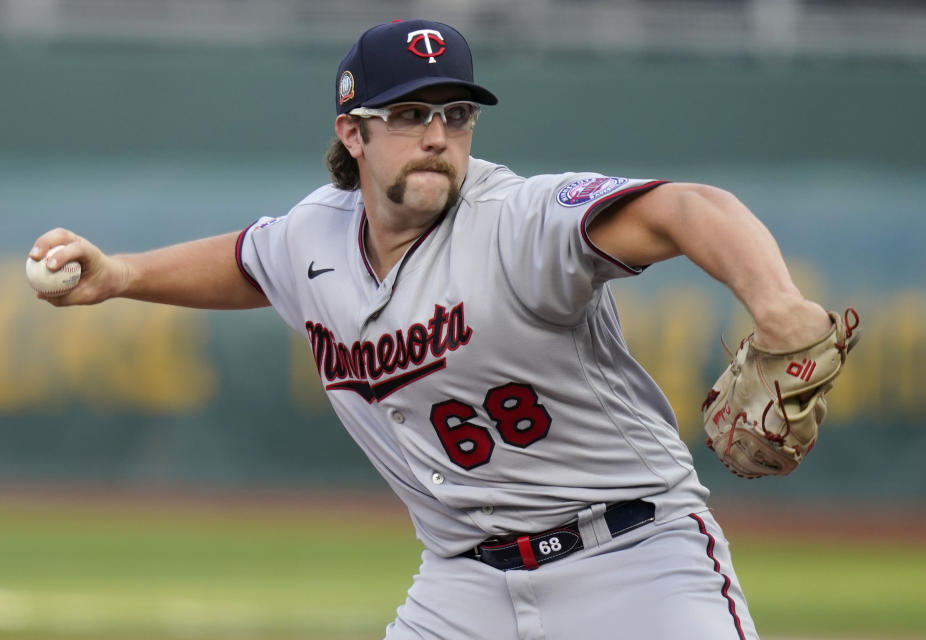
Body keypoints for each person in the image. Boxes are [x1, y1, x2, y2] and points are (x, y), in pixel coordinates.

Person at [31, 19, 833, 640]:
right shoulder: (315, 236)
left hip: (632, 559)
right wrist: (121, 275)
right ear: (354, 134)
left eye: (455, 114)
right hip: (463, 586)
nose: (438, 137)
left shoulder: (519, 221)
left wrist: (777, 303)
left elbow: (687, 208)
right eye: (410, 115)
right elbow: (251, 260)